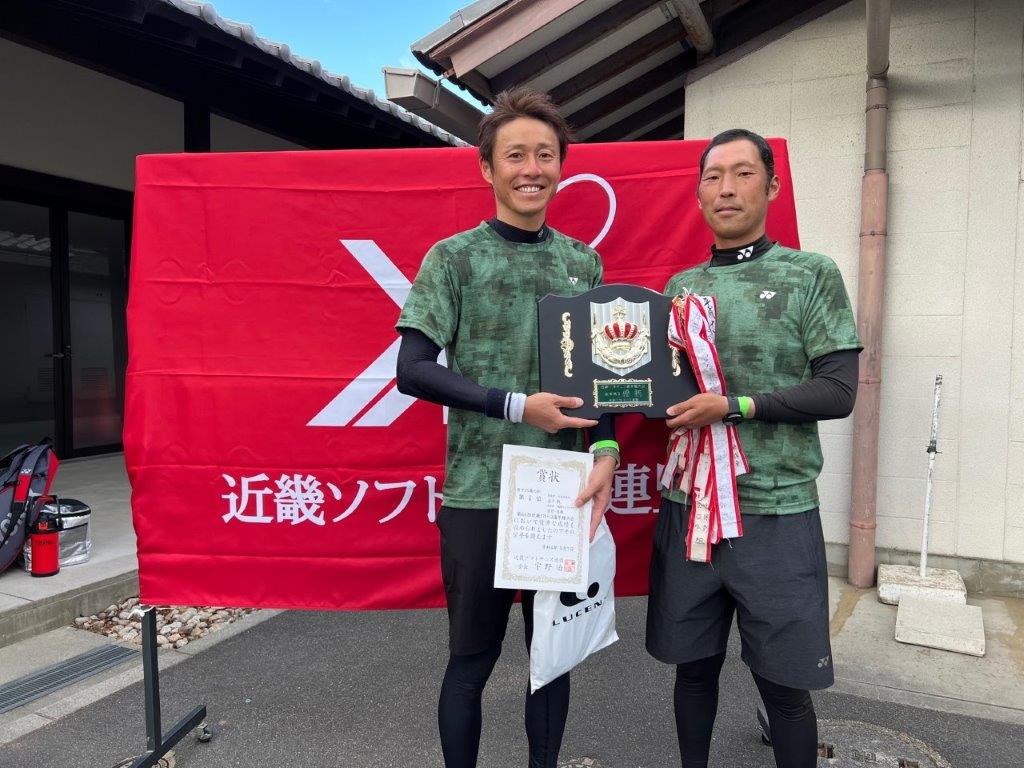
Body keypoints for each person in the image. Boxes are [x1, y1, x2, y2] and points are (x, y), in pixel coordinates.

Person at [394, 87, 619, 768]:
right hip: (479, 492)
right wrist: (518, 406)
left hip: (560, 490)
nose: (531, 169)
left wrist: (606, 449)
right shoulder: (454, 258)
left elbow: (602, 380)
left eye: (545, 155)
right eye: (515, 155)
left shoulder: (583, 263)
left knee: (551, 658)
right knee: (471, 661)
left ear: (561, 167)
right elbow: (413, 370)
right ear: (487, 168)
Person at [647, 128, 862, 768]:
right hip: (690, 510)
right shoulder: (681, 287)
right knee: (693, 671)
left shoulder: (810, 274)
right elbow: (660, 389)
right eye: (713, 177)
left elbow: (838, 390)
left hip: (777, 510)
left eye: (743, 174)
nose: (727, 188)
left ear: (771, 187)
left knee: (786, 690)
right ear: (698, 195)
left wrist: (735, 406)